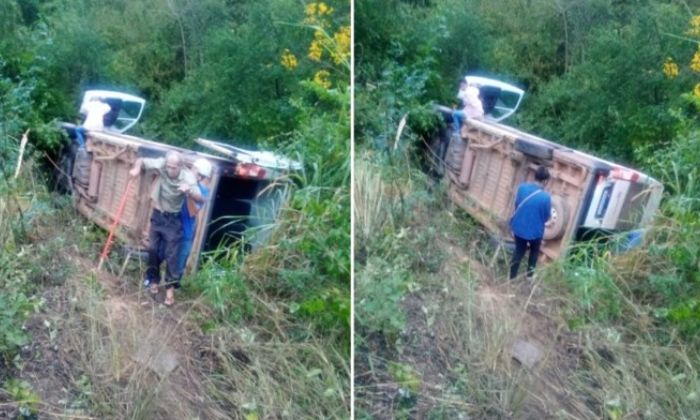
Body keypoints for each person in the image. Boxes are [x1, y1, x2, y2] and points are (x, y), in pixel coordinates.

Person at [129, 151, 202, 306]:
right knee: (153, 250)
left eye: (173, 167)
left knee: (172, 256)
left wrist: (189, 191)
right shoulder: (162, 164)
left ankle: (170, 291)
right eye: (168, 166)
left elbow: (200, 197)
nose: (169, 170)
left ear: (180, 167)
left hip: (173, 220)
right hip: (158, 216)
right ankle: (153, 282)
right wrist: (136, 169)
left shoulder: (187, 177)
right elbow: (142, 160)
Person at [509, 166, 552, 280]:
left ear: (535, 176)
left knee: (519, 251)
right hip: (535, 233)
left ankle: (511, 278)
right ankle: (529, 276)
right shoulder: (546, 197)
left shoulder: (522, 188)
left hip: (518, 228)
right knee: (534, 252)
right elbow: (546, 217)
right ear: (545, 181)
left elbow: (517, 204)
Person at [176, 158, 212, 277]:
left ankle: (171, 288)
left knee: (179, 266)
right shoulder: (180, 180)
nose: (199, 178)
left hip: (185, 233)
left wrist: (189, 193)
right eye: (198, 174)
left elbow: (193, 211)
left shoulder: (203, 191)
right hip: (170, 228)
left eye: (202, 176)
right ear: (192, 169)